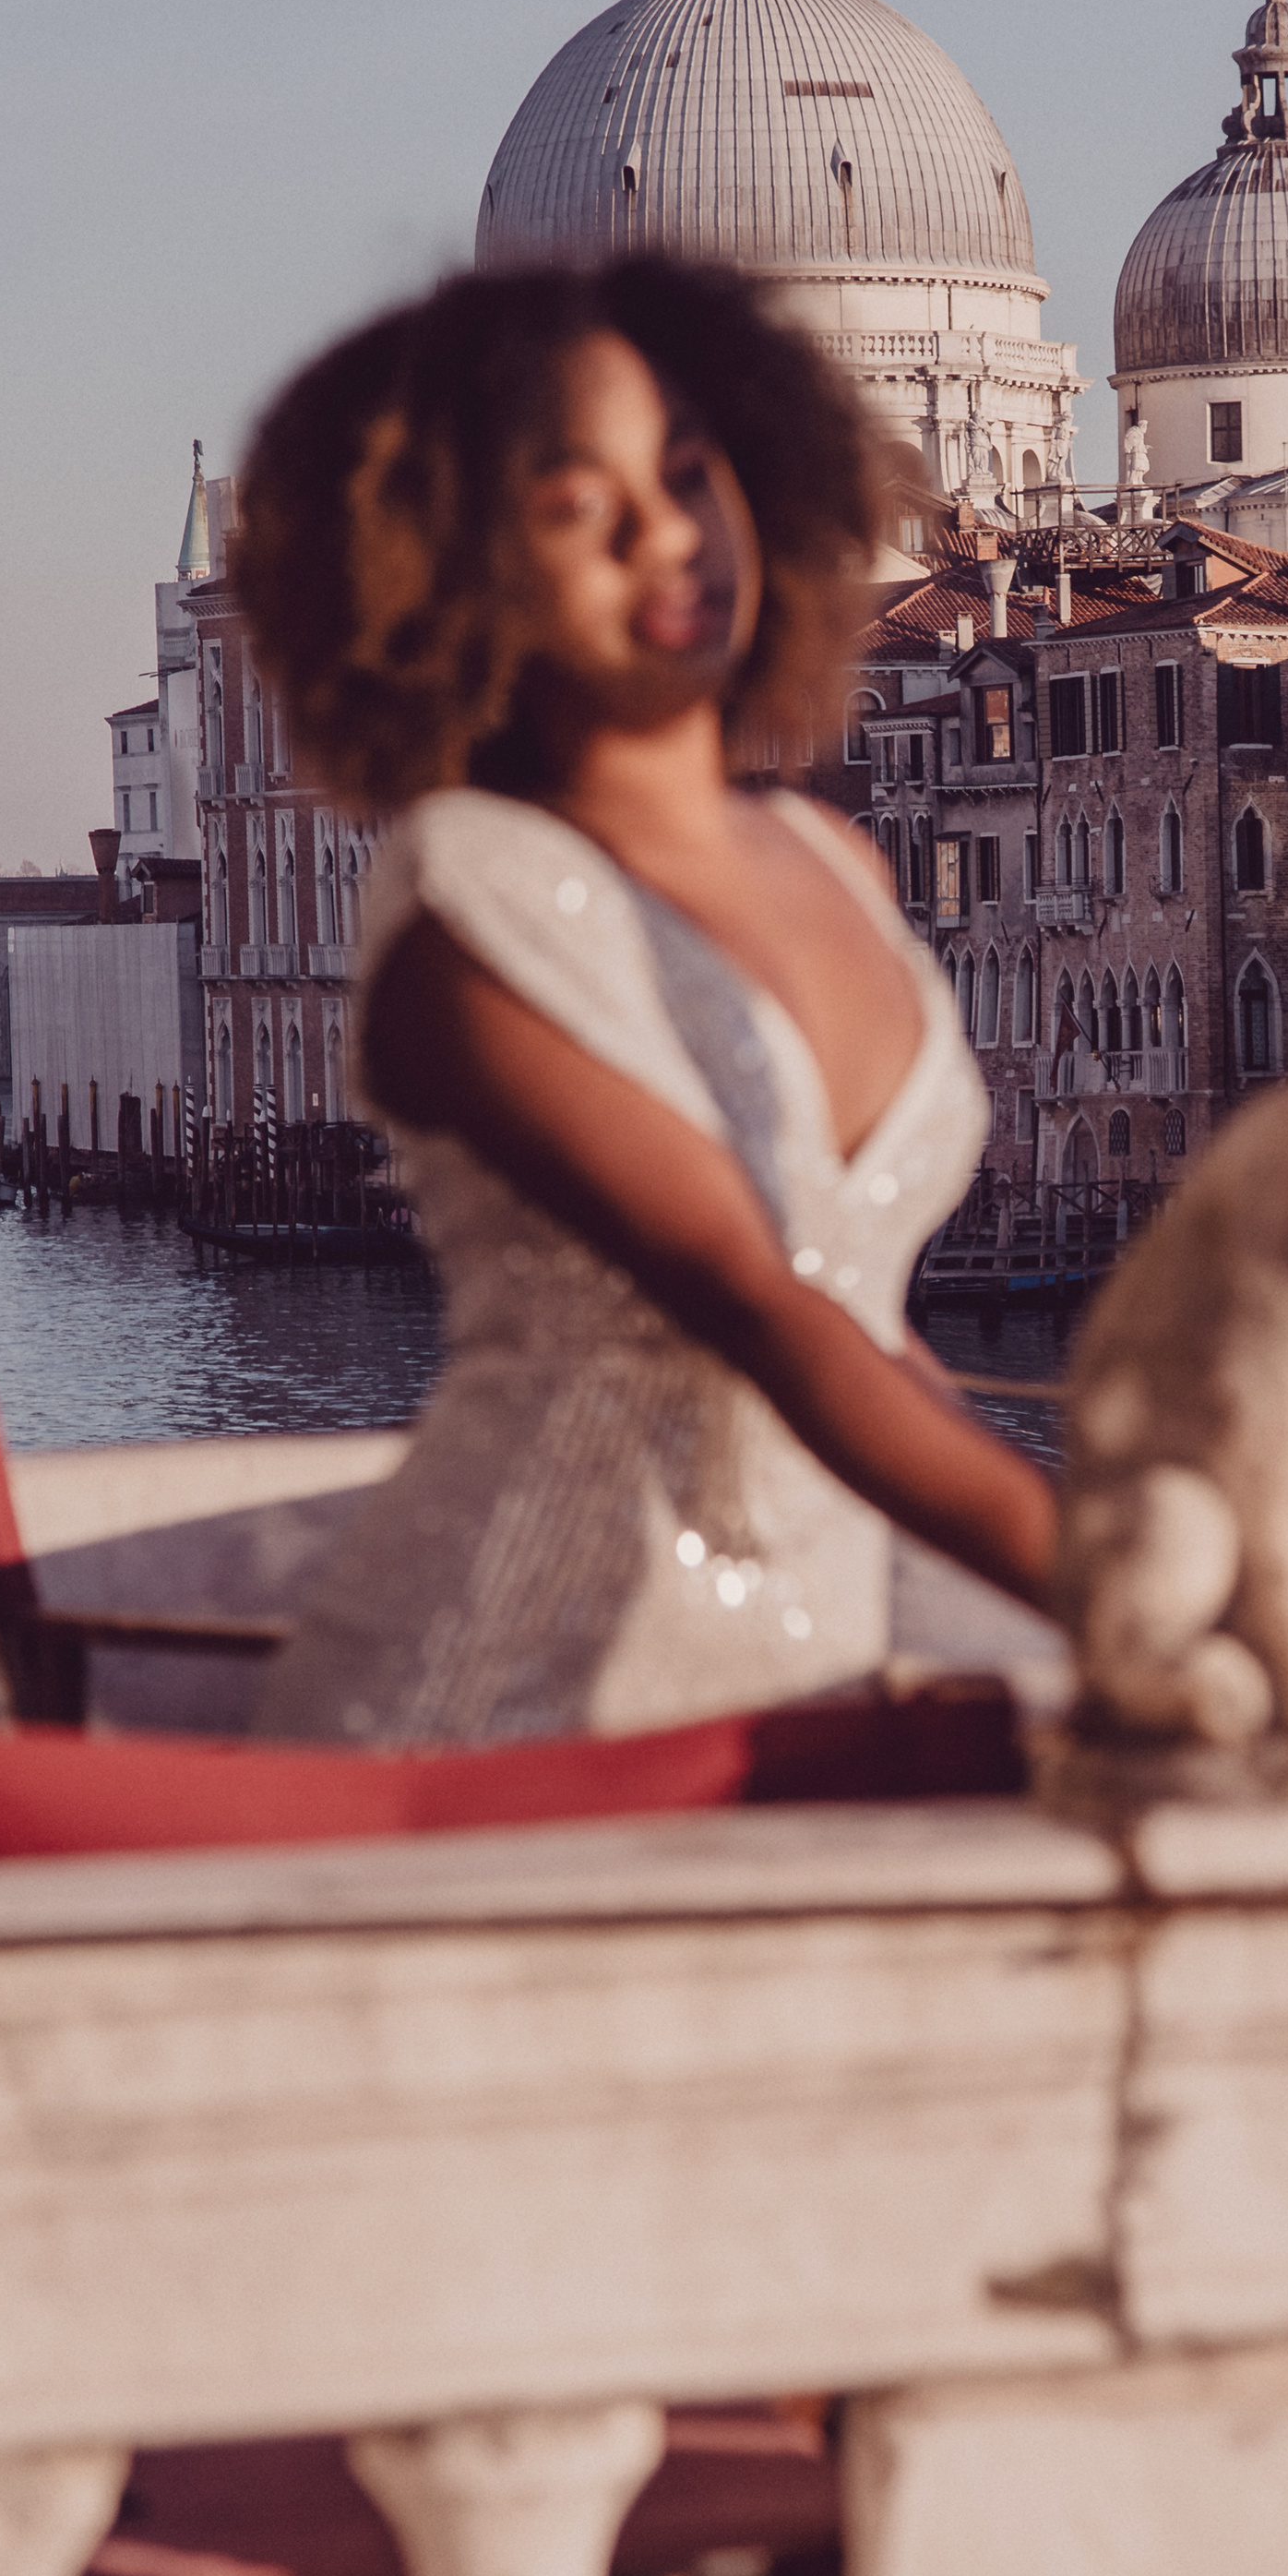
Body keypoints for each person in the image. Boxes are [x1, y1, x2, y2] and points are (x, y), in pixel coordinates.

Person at [234, 258, 1055, 1745]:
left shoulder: (836, 861)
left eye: (688, 471)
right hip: (509, 1710)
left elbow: (861, 1315)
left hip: (805, 1681)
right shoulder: (467, 906)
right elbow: (759, 1303)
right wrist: (1121, 1580)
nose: (665, 536)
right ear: (456, 567)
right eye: (576, 506)